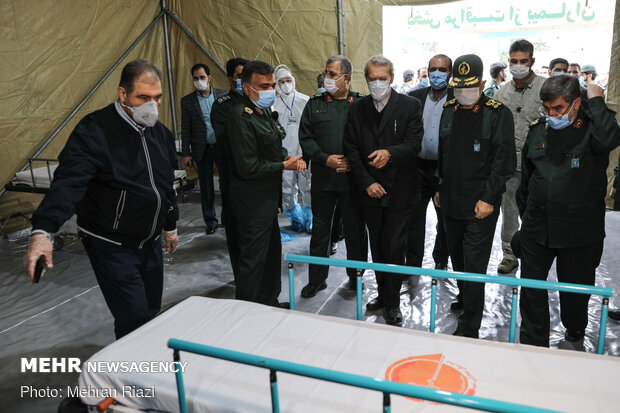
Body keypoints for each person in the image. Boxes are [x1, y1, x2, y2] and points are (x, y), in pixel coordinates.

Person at [25, 59, 179, 339]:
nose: (152, 106)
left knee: (151, 309)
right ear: (123, 94)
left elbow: (165, 186)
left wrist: (170, 225)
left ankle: (139, 357)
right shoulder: (95, 130)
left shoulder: (161, 134)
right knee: (134, 317)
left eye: (157, 98)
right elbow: (69, 182)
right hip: (111, 242)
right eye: (143, 98)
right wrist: (43, 230)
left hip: (149, 241)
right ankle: (133, 365)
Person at [515, 75, 620, 348]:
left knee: (575, 289)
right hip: (538, 226)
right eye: (547, 108)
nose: (552, 115)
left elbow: (611, 138)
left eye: (558, 108)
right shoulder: (539, 129)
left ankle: (574, 331)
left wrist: (596, 101)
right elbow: (526, 179)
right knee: (532, 288)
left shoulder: (594, 129)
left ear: (575, 103)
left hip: (579, 231)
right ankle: (533, 340)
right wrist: (526, 220)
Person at [436, 54, 515, 338]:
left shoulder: (497, 114)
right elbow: (443, 153)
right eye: (458, 87)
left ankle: (470, 324)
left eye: (468, 87)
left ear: (481, 84)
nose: (462, 93)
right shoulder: (449, 109)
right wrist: (438, 186)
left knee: (474, 262)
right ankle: (465, 296)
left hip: (480, 203)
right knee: (457, 257)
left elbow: (504, 161)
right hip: (450, 199)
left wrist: (489, 198)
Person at [344, 54, 423, 325]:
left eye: (382, 78)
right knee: (377, 246)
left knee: (394, 246)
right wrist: (367, 182)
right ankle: (382, 292)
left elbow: (414, 144)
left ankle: (393, 302)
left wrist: (390, 153)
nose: (377, 83)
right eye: (372, 79)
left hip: (399, 189)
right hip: (369, 190)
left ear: (391, 77)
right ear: (366, 79)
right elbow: (351, 149)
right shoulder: (357, 108)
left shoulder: (410, 105)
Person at [226, 60, 305, 306]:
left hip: (268, 199)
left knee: (271, 254)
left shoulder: (263, 111)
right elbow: (248, 166)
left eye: (272, 85)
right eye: (264, 86)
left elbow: (274, 144)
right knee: (253, 259)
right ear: (247, 87)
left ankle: (269, 301)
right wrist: (284, 166)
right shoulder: (241, 116)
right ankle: (247, 309)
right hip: (251, 200)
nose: (270, 90)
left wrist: (285, 157)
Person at [299, 55, 368, 298]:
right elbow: (306, 137)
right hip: (324, 179)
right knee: (320, 231)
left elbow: (370, 139)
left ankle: (356, 277)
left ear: (346, 78)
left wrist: (353, 161)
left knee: (355, 231)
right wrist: (324, 158)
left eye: (332, 74)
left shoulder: (361, 104)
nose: (326, 77)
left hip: (352, 181)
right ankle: (317, 280)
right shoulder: (314, 104)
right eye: (326, 72)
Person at [493, 39, 545, 274]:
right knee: (510, 212)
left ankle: (536, 254)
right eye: (514, 61)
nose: (518, 66)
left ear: (532, 61)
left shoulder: (546, 89)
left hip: (539, 165)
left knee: (537, 213)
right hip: (511, 165)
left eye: (523, 61)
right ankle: (510, 255)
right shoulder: (501, 93)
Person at [406, 54, 453, 277]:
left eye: (442, 70)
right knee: (414, 218)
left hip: (445, 169)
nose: (436, 74)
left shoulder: (457, 99)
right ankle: (412, 263)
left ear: (450, 74)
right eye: (433, 69)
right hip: (417, 168)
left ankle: (441, 260)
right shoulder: (414, 98)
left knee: (444, 220)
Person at [211, 57, 249, 281]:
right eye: (240, 76)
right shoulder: (222, 106)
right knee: (236, 231)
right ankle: (241, 278)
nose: (244, 80)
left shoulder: (257, 103)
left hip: (256, 180)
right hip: (234, 179)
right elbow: (229, 142)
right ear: (230, 78)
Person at [181, 63, 226, 234]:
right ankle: (210, 222)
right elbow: (186, 128)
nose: (199, 81)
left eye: (202, 77)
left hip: (222, 147)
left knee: (226, 185)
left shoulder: (222, 95)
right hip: (202, 149)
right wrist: (186, 153)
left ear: (209, 77)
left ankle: (227, 218)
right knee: (206, 188)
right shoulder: (188, 101)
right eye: (195, 78)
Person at [272, 64, 312, 233]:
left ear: (293, 81)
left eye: (288, 80)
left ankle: (310, 219)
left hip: (303, 153)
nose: (286, 85)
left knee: (307, 186)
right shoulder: (273, 104)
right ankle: (296, 220)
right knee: (287, 189)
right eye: (281, 82)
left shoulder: (305, 100)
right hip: (285, 155)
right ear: (276, 84)